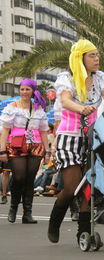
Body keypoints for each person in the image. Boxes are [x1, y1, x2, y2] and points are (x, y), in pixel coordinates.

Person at [47, 39, 104, 243]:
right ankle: (54, 222)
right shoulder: (66, 78)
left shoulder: (101, 78)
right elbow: (65, 101)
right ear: (80, 58)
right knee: (71, 187)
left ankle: (84, 231)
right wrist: (81, 109)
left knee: (90, 185)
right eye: (92, 55)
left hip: (92, 138)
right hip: (69, 137)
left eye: (97, 55)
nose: (97, 59)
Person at [0, 78, 50, 224]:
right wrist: (2, 150)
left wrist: (47, 152)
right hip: (17, 145)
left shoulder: (38, 108)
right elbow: (5, 130)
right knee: (19, 177)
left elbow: (44, 132)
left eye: (27, 89)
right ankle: (13, 208)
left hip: (36, 146)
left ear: (33, 91)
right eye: (22, 89)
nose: (24, 92)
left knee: (30, 180)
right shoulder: (12, 107)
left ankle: (27, 213)